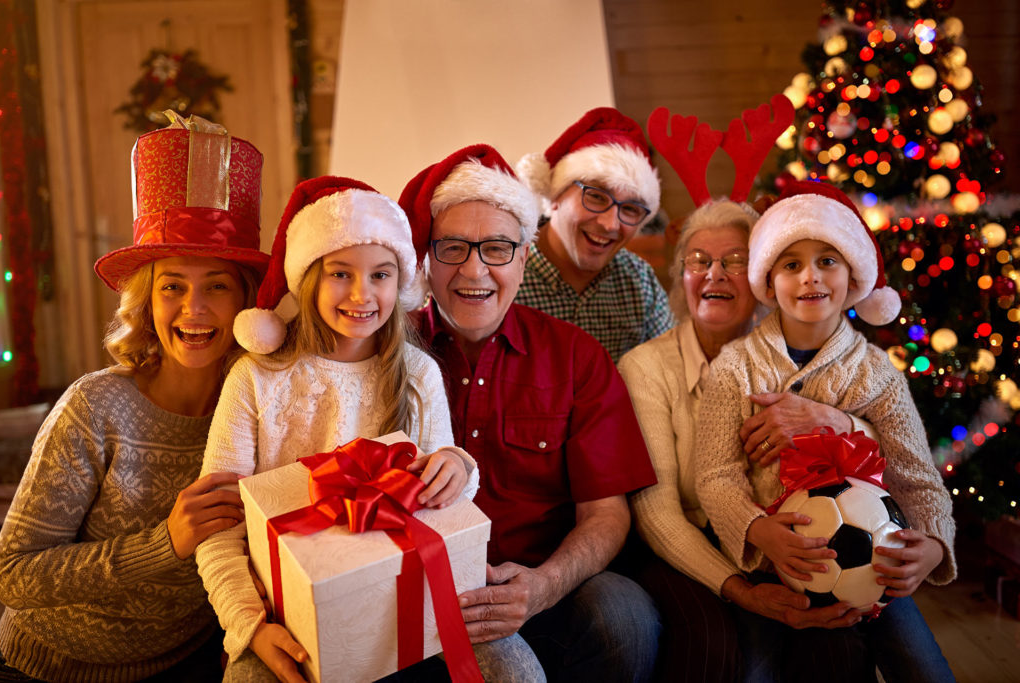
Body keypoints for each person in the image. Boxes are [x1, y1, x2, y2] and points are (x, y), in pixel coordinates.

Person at [0, 117, 270, 681]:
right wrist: (165, 543)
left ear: (246, 302)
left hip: (187, 661)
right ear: (147, 302)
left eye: (217, 285)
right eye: (173, 286)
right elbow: (13, 575)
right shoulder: (94, 408)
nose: (194, 308)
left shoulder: (257, 410)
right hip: (51, 667)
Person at [195, 176, 479, 683]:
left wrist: (457, 466)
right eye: (340, 274)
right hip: (282, 612)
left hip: (401, 596)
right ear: (308, 280)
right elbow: (218, 526)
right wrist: (249, 623)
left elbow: (445, 498)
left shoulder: (418, 374)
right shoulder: (256, 378)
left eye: (380, 274)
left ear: (401, 283)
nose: (361, 294)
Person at [399, 144, 661, 682]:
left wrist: (544, 586)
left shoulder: (577, 357)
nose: (475, 269)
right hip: (415, 591)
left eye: (497, 248)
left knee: (625, 617)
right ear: (426, 259)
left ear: (523, 257)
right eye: (452, 248)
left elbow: (606, 514)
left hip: (546, 590)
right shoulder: (390, 354)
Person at [695, 181, 957, 682]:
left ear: (853, 274)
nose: (810, 276)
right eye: (791, 264)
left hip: (874, 564)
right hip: (772, 567)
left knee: (923, 667)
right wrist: (757, 530)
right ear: (768, 280)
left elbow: (917, 476)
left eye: (827, 261)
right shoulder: (735, 367)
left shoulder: (877, 374)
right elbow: (715, 473)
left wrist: (933, 545)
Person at [618, 199, 886, 681]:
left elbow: (880, 446)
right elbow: (657, 513)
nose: (713, 273)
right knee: (711, 649)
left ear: (764, 276)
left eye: (735, 260)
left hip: (789, 542)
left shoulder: (799, 355)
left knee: (837, 648)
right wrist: (741, 589)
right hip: (683, 546)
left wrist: (838, 422)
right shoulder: (645, 367)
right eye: (698, 260)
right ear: (682, 277)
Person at [514, 107, 673, 362]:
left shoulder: (639, 282)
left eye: (630, 209)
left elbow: (672, 366)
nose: (611, 224)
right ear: (556, 195)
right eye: (596, 197)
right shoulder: (505, 278)